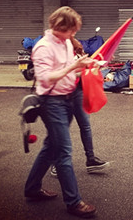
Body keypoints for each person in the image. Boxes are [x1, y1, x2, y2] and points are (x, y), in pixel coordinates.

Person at [24, 6, 97, 218]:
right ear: (59, 27)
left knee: (51, 146)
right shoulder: (43, 47)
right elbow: (46, 77)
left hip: (69, 97)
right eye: (71, 30)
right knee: (64, 151)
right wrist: (72, 67)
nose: (73, 34)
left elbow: (68, 68)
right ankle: (74, 202)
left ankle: (32, 188)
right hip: (52, 102)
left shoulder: (65, 41)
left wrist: (86, 65)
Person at [48, 37, 108, 177]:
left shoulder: (77, 51)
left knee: (85, 126)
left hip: (78, 92)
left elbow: (82, 71)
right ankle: (55, 163)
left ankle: (91, 159)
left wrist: (93, 66)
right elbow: (64, 74)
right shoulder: (57, 50)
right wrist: (82, 70)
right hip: (63, 94)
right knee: (61, 130)